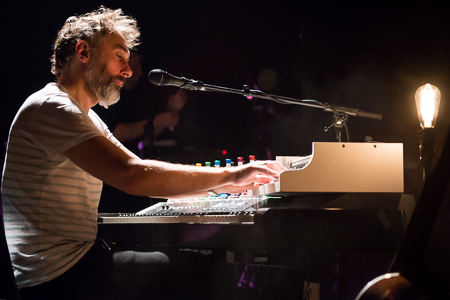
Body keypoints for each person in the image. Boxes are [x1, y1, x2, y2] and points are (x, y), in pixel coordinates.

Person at [0, 6, 284, 300]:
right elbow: (133, 174)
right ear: (83, 52)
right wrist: (232, 174)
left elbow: (139, 169)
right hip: (59, 280)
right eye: (119, 57)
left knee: (188, 262)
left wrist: (227, 186)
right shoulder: (52, 106)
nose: (128, 70)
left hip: (78, 265)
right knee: (202, 271)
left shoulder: (87, 116)